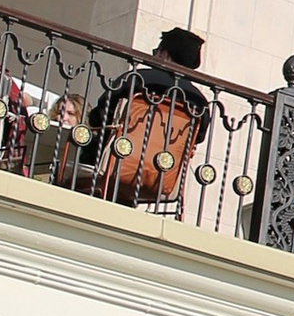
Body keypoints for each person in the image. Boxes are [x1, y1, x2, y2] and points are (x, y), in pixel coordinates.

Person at [78, 24, 211, 212]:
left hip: (113, 167)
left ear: (164, 54)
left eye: (156, 51)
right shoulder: (199, 103)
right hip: (161, 178)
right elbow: (197, 139)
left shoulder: (135, 80)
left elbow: (100, 116)